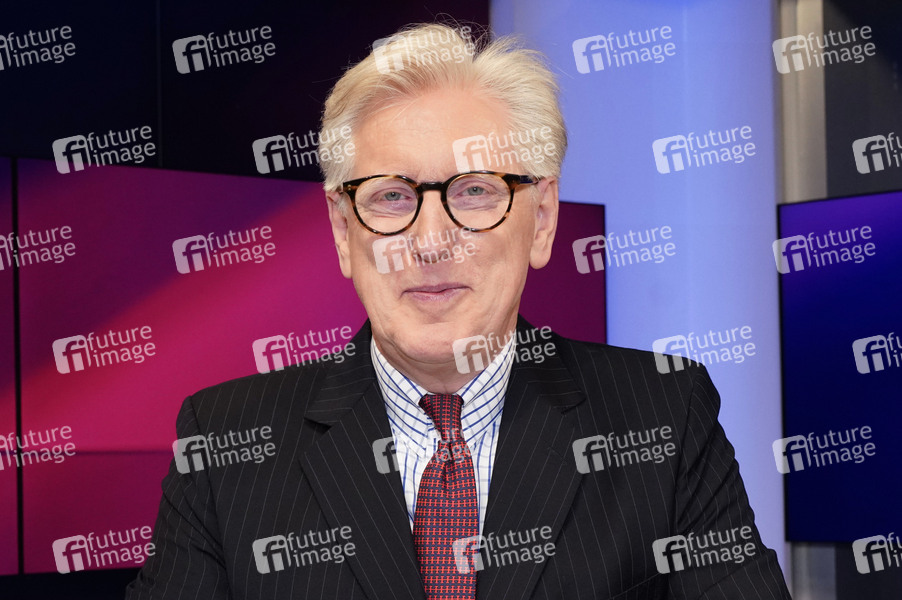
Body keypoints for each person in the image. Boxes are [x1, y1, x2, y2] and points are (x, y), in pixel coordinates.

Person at [127, 23, 792, 599]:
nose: (430, 241)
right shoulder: (225, 441)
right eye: (390, 197)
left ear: (543, 219)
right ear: (342, 231)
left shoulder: (663, 415)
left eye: (474, 192)